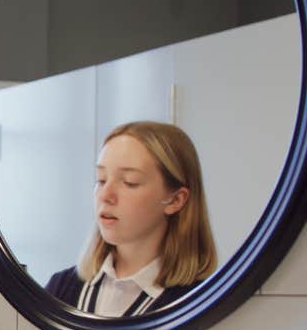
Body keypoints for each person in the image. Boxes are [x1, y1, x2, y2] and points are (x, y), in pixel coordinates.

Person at [45, 121, 217, 316]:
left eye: (129, 182)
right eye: (101, 179)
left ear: (175, 200)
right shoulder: (61, 289)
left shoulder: (199, 302)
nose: (105, 195)